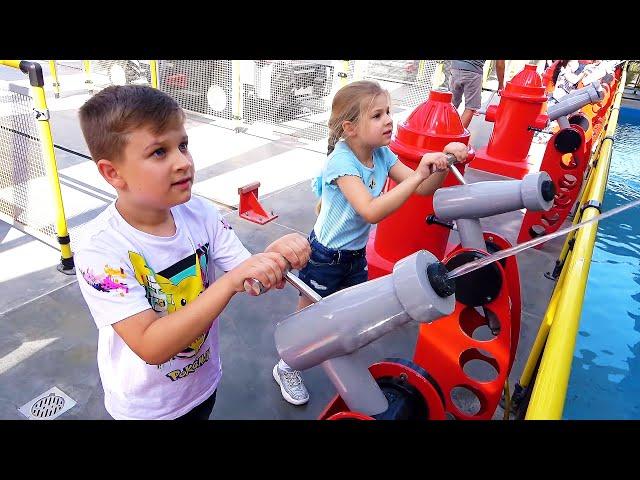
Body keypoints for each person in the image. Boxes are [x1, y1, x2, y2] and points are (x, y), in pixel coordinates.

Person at [74, 84, 310, 420]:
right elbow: (150, 344)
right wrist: (229, 283)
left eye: (183, 145)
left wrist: (272, 257)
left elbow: (245, 272)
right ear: (113, 173)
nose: (183, 162)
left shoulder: (199, 213)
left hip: (201, 385)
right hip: (147, 409)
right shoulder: (100, 252)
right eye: (160, 152)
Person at [271, 80, 469, 405]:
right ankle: (287, 365)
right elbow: (371, 211)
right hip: (324, 255)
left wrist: (444, 163)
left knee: (350, 314)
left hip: (353, 255)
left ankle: (333, 358)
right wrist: (420, 174)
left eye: (388, 111)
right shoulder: (342, 162)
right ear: (350, 128)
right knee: (307, 318)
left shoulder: (381, 153)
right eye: (377, 115)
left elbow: (423, 188)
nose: (389, 119)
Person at [449, 60, 505, 129]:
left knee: (451, 104)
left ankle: (443, 131)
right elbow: (500, 64)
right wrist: (501, 85)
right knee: (470, 107)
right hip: (473, 71)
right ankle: (456, 137)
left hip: (455, 68)